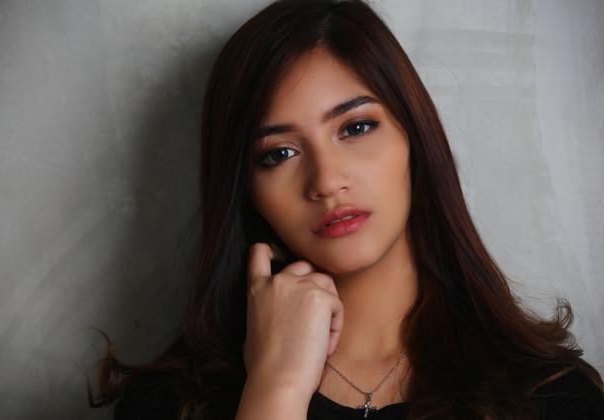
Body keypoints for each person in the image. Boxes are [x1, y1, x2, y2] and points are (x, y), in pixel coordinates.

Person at [88, 0, 604, 419]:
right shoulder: (169, 404)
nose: (326, 181)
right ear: (245, 190)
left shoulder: (552, 397)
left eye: (355, 128)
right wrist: (276, 388)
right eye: (278, 154)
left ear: (415, 139)